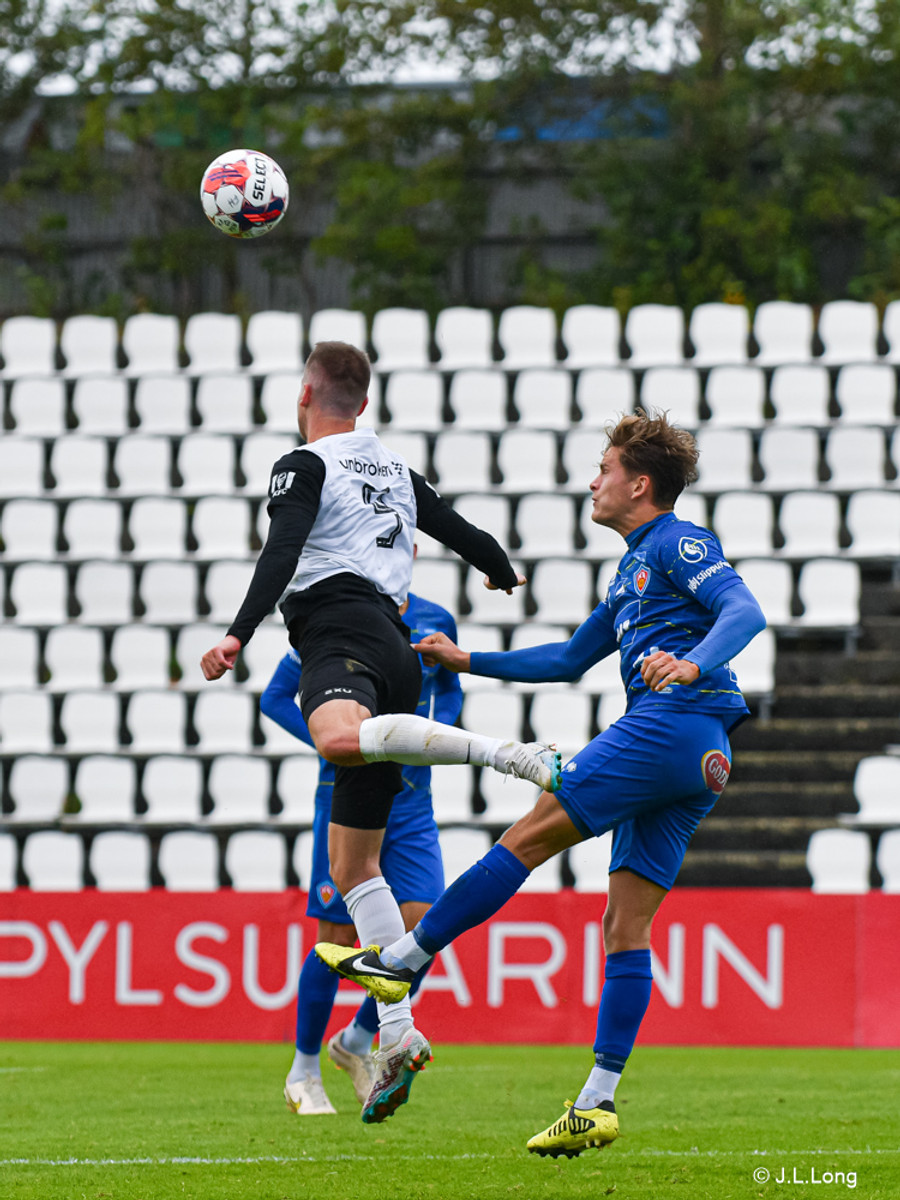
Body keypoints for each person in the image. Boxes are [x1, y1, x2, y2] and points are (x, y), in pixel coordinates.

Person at [316, 409, 767, 1156]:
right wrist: (467, 660)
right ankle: (597, 1102)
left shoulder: (678, 542)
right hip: (701, 755)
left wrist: (692, 664)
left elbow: (744, 610)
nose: (594, 482)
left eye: (605, 469)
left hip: (675, 721)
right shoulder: (633, 570)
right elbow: (566, 659)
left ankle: (401, 962)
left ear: (640, 483)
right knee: (625, 927)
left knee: (527, 834)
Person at [201, 341, 560, 1124]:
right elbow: (457, 527)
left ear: (306, 396)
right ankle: (393, 1032)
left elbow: (283, 549)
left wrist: (237, 633)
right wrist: (499, 567)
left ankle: (502, 755)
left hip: (339, 632)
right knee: (355, 867)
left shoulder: (302, 465)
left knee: (336, 740)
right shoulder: (394, 469)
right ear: (363, 404)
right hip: (396, 653)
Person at [260, 587, 462, 1117]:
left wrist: (433, 737)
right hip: (345, 793)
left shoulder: (436, 618)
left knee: (425, 930)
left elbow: (450, 689)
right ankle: (303, 1071)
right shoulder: (333, 614)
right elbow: (275, 697)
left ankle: (354, 1041)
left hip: (412, 800)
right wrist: (334, 742)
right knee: (336, 938)